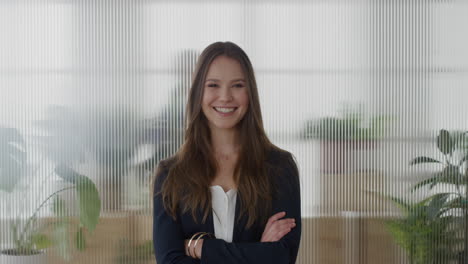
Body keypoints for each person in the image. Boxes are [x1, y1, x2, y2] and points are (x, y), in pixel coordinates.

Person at [152, 41, 301, 264]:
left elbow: (281, 257)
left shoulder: (280, 167)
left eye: (237, 85)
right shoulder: (170, 174)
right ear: (198, 92)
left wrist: (203, 248)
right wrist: (258, 251)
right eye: (213, 85)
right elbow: (170, 261)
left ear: (250, 92)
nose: (225, 97)